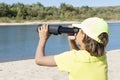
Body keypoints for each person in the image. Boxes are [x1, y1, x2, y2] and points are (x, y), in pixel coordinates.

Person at [35, 17, 109, 80]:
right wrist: (71, 41)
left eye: (78, 30)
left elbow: (39, 60)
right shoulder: (102, 57)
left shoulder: (72, 58)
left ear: (83, 36)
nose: (76, 32)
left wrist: (42, 39)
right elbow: (80, 56)